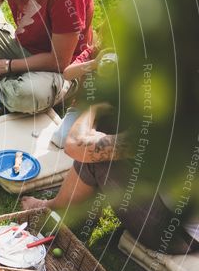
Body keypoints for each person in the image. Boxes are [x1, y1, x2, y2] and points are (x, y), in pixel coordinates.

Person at [21, 103, 199, 255]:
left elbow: (75, 146)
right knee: (111, 131)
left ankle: (51, 207)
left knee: (98, 159)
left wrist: (94, 108)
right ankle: (87, 211)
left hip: (174, 234)